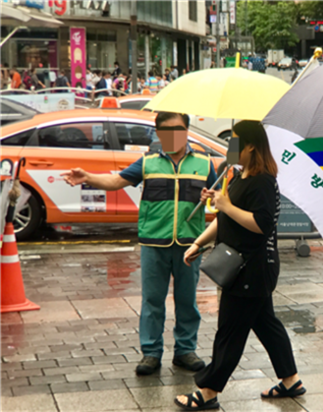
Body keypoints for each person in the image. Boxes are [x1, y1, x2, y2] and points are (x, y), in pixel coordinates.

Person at [62, 112, 219, 376]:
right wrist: (87, 177)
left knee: (187, 300)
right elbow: (116, 181)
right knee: (152, 300)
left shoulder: (204, 163)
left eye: (178, 130)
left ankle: (185, 350)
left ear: (187, 131)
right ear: (158, 134)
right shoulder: (148, 162)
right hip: (154, 242)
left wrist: (211, 197)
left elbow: (216, 199)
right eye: (166, 131)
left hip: (190, 244)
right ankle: (151, 353)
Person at [175, 121, 306, 411]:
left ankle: (208, 392)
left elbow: (262, 224)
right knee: (266, 324)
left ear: (249, 146)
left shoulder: (262, 180)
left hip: (251, 270)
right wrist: (199, 242)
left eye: (234, 142)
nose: (229, 148)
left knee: (230, 333)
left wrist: (226, 205)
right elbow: (225, 219)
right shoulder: (240, 176)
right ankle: (290, 380)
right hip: (246, 267)